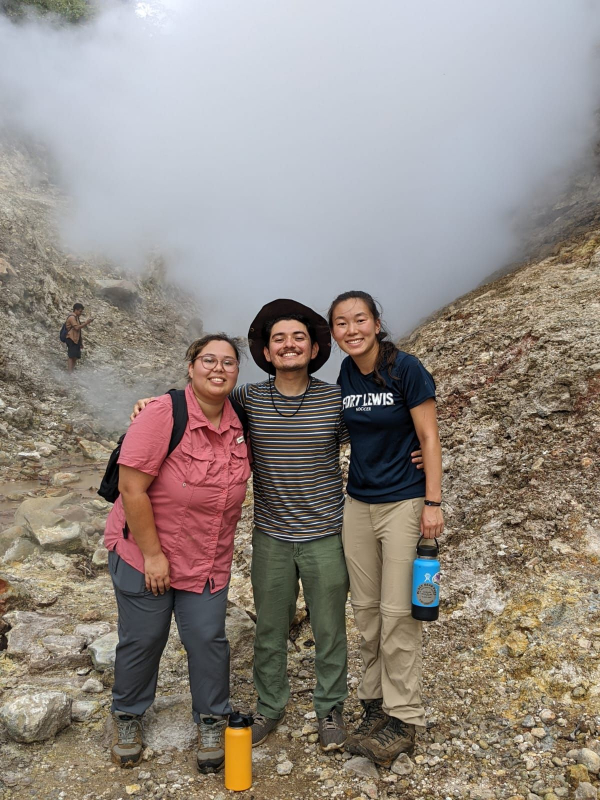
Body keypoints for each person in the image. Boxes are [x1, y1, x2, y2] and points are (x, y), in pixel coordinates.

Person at [104, 334, 250, 774]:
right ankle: (127, 714)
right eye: (208, 360)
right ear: (190, 366)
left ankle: (211, 717)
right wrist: (153, 555)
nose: (218, 369)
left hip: (207, 557)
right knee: (144, 638)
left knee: (208, 639)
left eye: (228, 362)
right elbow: (131, 487)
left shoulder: (242, 418)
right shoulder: (162, 414)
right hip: (145, 552)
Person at [327, 290, 444, 767]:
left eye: (359, 319)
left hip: (404, 502)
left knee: (398, 612)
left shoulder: (407, 369)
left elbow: (429, 435)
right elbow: (349, 429)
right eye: (341, 323)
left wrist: (432, 501)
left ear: (376, 323)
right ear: (333, 333)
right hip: (358, 503)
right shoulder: (347, 372)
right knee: (368, 610)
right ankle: (375, 702)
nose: (351, 330)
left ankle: (403, 716)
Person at [65, 302, 93, 373]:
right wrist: (86, 323)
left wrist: (80, 342)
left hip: (76, 340)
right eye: (80, 311)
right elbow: (77, 328)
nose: (81, 313)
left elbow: (78, 331)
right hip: (71, 339)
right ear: (76, 310)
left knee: (75, 356)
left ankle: (72, 371)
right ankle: (69, 372)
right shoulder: (72, 317)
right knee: (71, 356)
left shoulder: (76, 318)